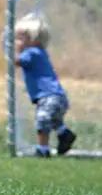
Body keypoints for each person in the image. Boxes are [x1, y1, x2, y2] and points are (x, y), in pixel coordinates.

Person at [10, 13, 77, 157]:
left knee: (42, 120)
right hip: (57, 96)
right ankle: (64, 134)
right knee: (54, 120)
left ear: (33, 39)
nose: (16, 42)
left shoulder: (32, 53)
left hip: (49, 97)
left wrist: (7, 48)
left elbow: (15, 63)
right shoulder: (39, 52)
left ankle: (43, 150)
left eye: (20, 39)